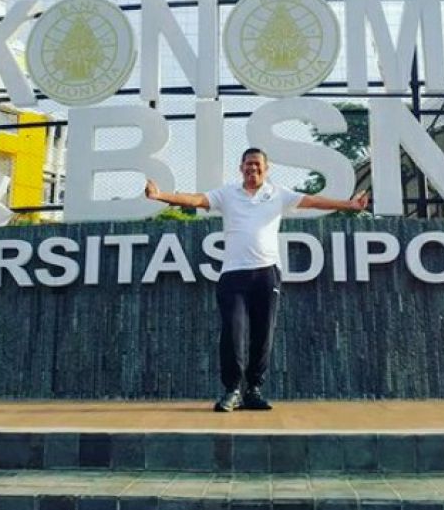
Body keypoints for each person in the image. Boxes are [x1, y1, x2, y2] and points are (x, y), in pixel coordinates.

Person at [144, 147, 369, 412]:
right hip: (233, 275)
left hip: (267, 274)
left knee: (263, 335)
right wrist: (160, 196)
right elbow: (195, 200)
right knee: (233, 333)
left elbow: (313, 201)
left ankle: (253, 390)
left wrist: (349, 205)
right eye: (248, 164)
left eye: (257, 164)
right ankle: (232, 391)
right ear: (241, 168)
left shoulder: (278, 194)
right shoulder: (227, 194)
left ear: (266, 168)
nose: (253, 168)